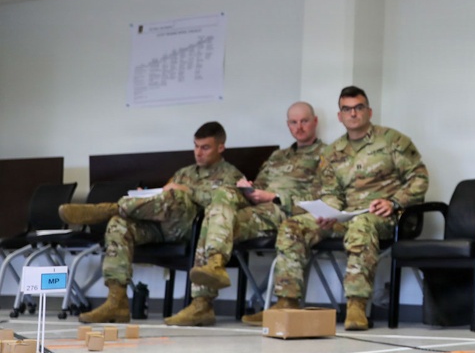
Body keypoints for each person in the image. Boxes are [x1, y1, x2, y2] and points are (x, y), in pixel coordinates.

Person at [243, 86, 428, 331]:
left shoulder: (393, 141)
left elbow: (419, 178)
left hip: (385, 215)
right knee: (293, 226)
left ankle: (356, 307)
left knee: (362, 224)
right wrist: (327, 214)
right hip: (345, 216)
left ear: (369, 112)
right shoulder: (332, 153)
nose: (353, 114)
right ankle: (286, 302)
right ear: (339, 115)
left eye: (359, 107)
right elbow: (331, 193)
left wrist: (393, 202)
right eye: (347, 109)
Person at [61, 122, 244, 324]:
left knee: (175, 195)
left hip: (192, 228)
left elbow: (223, 207)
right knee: (119, 224)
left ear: (220, 147)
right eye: (196, 146)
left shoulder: (232, 175)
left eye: (205, 147)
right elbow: (164, 197)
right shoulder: (185, 172)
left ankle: (107, 208)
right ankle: (116, 302)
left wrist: (184, 191)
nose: (198, 152)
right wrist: (148, 197)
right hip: (162, 225)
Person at [164, 102, 325, 326]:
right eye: (293, 122)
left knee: (215, 215)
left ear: (315, 122)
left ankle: (205, 292)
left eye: (304, 121)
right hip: (258, 207)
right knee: (216, 209)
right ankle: (204, 296)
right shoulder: (278, 156)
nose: (298, 127)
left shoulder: (326, 155)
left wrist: (275, 197)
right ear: (287, 125)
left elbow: (324, 196)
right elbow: (260, 183)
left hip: (285, 210)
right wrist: (249, 189)